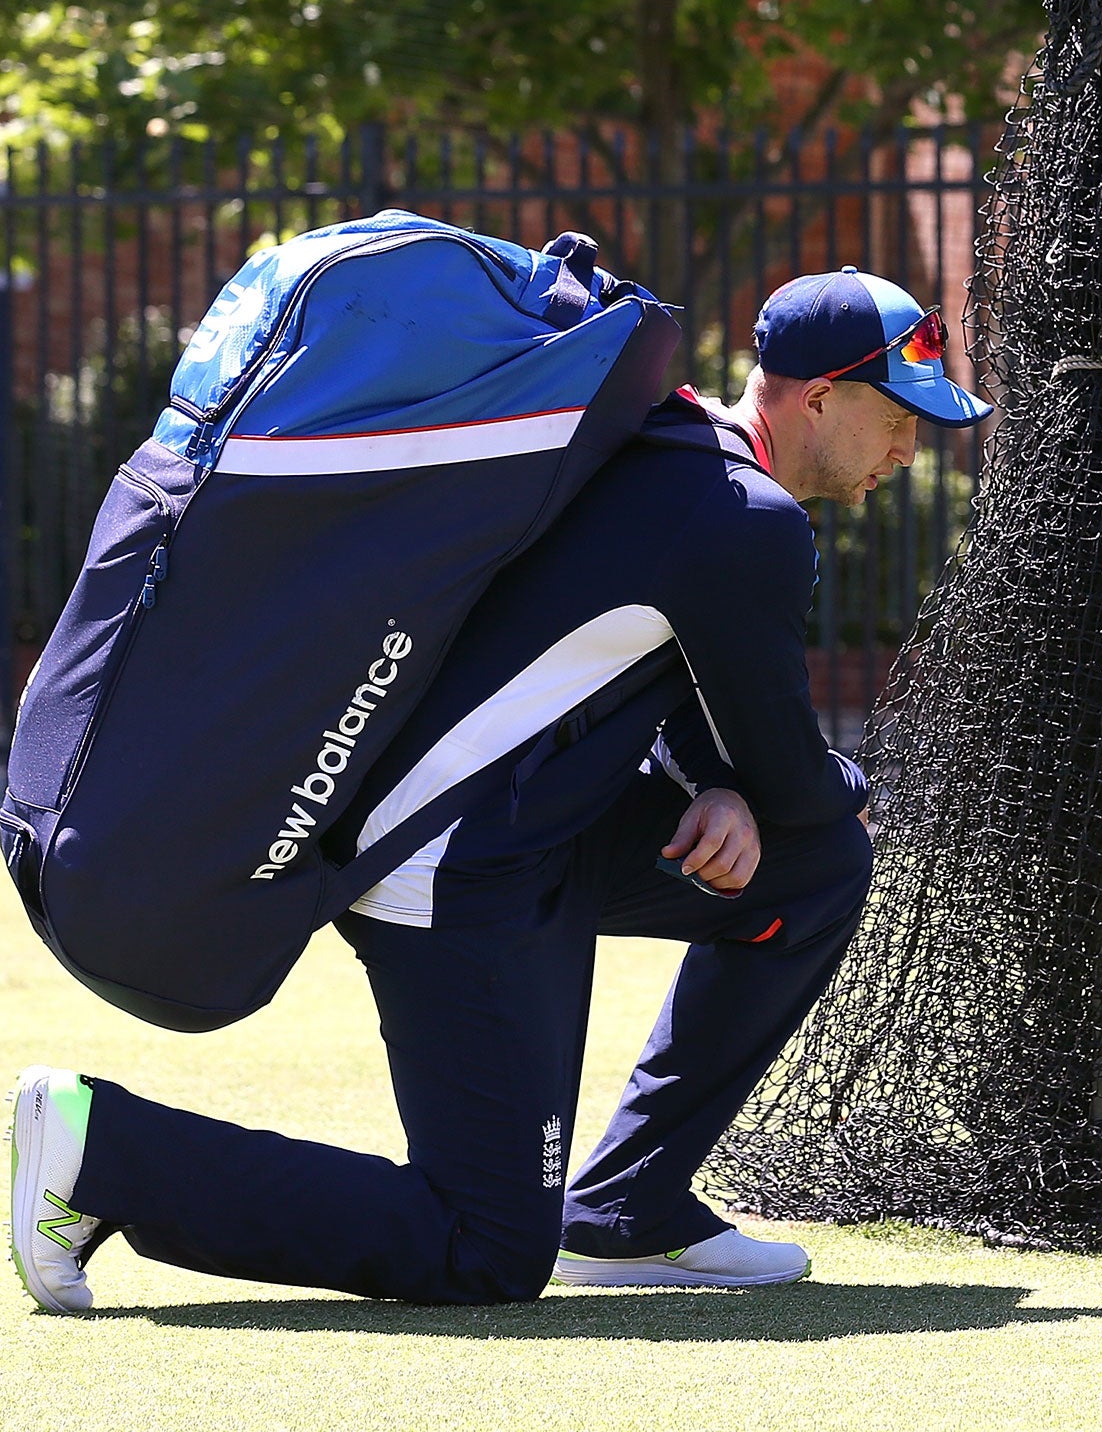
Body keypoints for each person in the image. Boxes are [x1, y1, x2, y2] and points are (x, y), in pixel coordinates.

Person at [9, 266, 992, 1311]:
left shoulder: (670, 449)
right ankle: (100, 1152)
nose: (906, 450)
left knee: (816, 869)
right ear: (816, 397)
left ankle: (629, 1213)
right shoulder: (744, 519)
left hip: (538, 826)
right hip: (449, 862)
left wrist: (720, 783)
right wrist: (793, 786)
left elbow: (650, 672)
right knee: (486, 1250)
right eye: (896, 416)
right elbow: (793, 777)